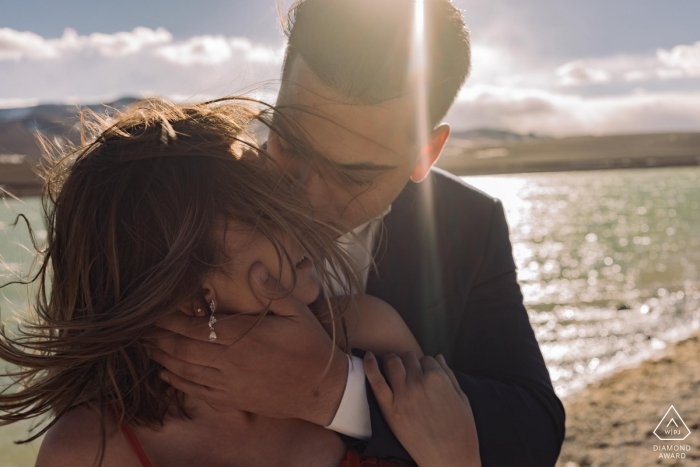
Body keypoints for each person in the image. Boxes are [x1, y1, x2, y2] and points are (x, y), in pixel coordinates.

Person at [152, 0, 566, 465]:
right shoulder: (190, 201)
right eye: (288, 141)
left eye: (352, 175)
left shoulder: (469, 223)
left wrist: (332, 392)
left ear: (426, 154)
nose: (303, 195)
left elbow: (535, 433)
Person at [0, 98, 480, 466]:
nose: (300, 221)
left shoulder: (370, 332)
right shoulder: (88, 452)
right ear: (189, 293)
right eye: (262, 214)